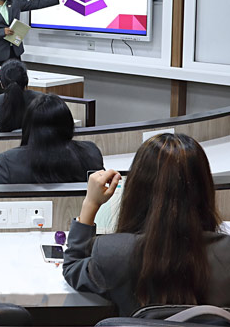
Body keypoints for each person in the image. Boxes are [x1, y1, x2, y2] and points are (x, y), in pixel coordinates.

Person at [63, 133, 230, 316]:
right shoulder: (226, 252)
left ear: (136, 189)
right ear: (205, 188)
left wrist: (90, 204)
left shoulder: (113, 252)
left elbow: (73, 268)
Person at [0, 94, 103, 185]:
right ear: (69, 125)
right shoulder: (91, 152)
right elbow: (104, 192)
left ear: (28, 126)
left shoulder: (8, 162)